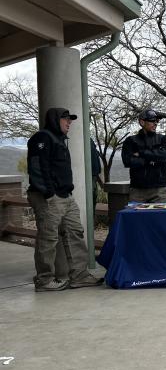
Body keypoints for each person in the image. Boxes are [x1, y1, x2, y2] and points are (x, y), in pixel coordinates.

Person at [26, 108, 104, 291]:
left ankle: (80, 276)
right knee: (48, 237)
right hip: (48, 198)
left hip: (65, 197)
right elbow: (37, 168)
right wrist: (49, 194)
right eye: (66, 119)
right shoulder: (42, 138)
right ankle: (44, 280)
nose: (69, 123)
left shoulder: (59, 140)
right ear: (55, 120)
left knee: (75, 232)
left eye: (70, 120)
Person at [121, 109, 166, 203]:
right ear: (142, 122)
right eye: (152, 120)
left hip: (160, 191)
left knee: (162, 218)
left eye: (156, 121)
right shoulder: (130, 141)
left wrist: (141, 153)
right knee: (137, 218)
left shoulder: (164, 139)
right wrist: (151, 159)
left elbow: (165, 155)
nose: (155, 123)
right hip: (137, 191)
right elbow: (127, 161)